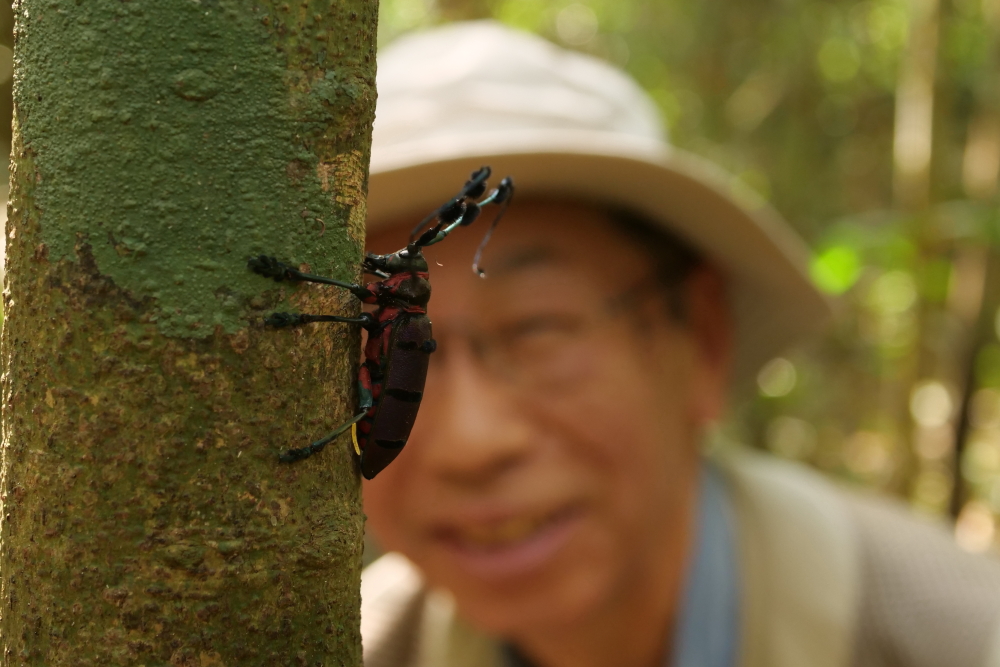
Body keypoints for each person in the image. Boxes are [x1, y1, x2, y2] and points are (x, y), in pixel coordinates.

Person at [358, 21, 1000, 667]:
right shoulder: (359, 642)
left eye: (537, 327)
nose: (472, 443)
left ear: (704, 337)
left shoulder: (958, 636)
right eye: (370, 351)